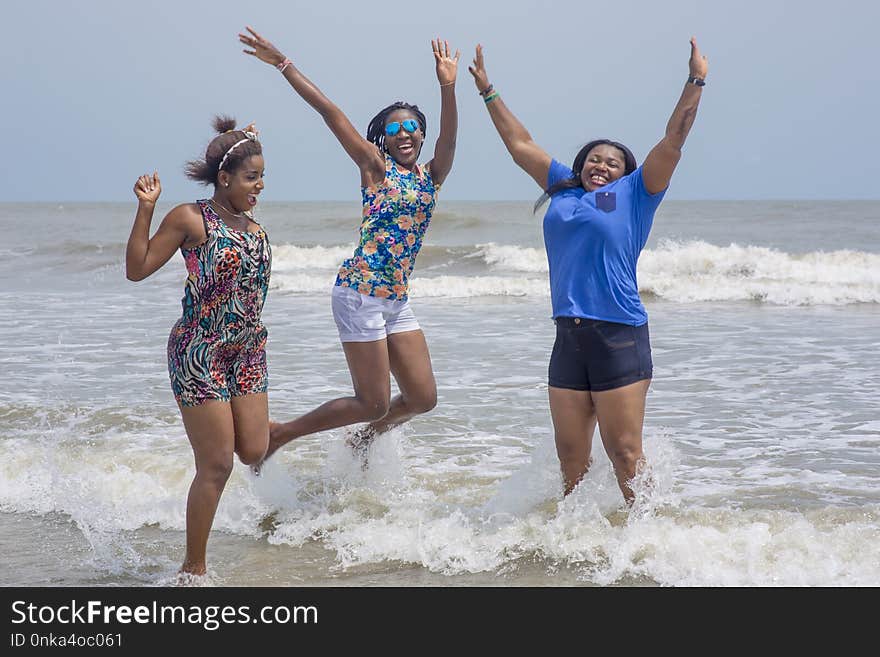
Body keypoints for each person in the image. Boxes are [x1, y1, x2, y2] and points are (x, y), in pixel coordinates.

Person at [468, 38, 708, 502]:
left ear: (626, 171)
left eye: (612, 161)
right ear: (581, 166)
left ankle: (649, 538)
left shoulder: (639, 192)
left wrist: (696, 79)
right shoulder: (562, 189)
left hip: (619, 335)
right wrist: (487, 90)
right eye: (594, 158)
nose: (601, 165)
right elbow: (519, 144)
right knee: (571, 457)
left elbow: (674, 138)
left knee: (624, 452)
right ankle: (575, 545)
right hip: (569, 337)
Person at [238, 26, 459, 467]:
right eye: (395, 129)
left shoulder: (430, 176)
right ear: (383, 138)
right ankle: (280, 433)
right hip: (359, 294)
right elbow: (330, 112)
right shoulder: (375, 167)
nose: (405, 134)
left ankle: (362, 441)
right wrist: (284, 63)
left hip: (395, 298)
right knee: (373, 401)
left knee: (422, 397)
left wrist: (447, 86)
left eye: (412, 127)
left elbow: (449, 140)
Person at [126, 116, 272, 576]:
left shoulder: (249, 221)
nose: (260, 186)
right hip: (200, 352)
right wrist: (147, 208)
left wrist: (247, 142)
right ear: (224, 179)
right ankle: (193, 571)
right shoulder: (192, 218)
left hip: (248, 350)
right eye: (252, 178)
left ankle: (242, 428)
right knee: (217, 465)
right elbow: (138, 268)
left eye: (262, 177)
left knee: (253, 450)